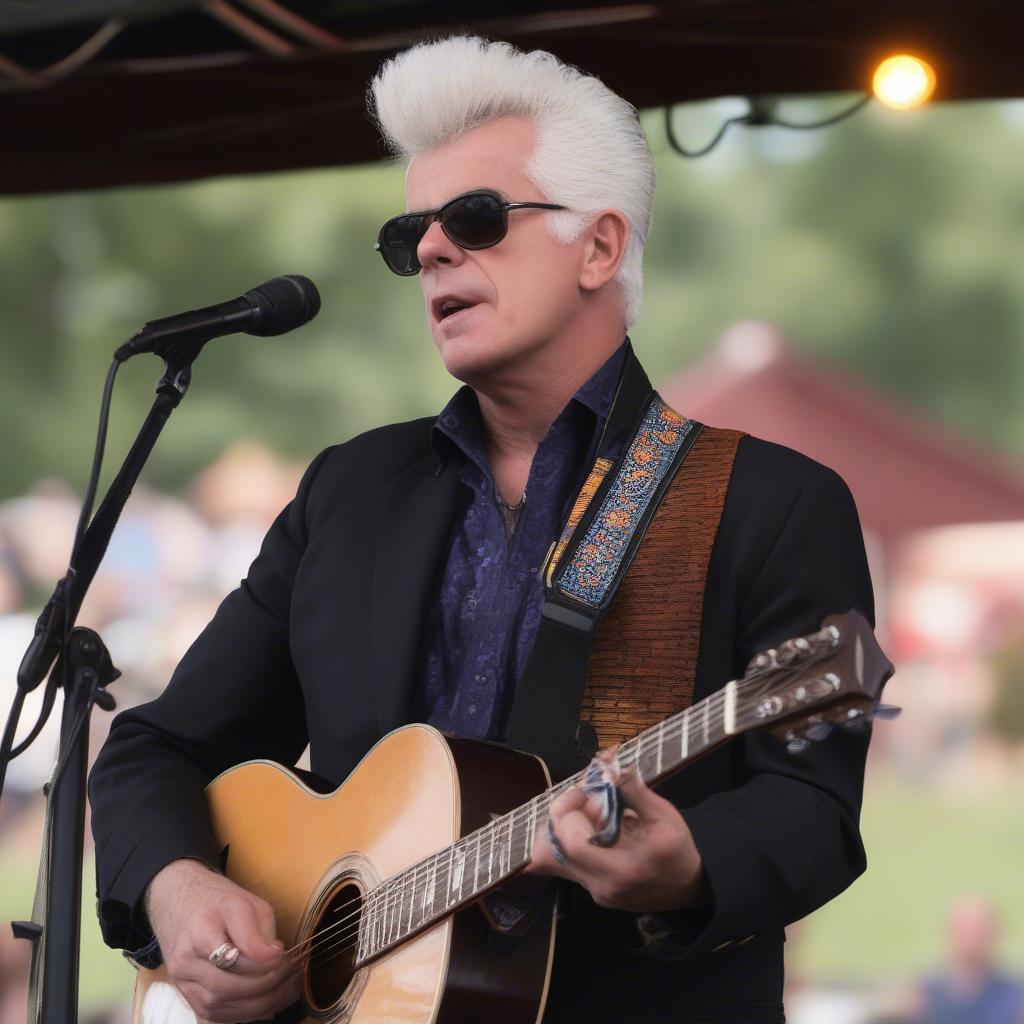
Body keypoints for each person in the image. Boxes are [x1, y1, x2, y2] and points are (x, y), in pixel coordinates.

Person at [88, 35, 876, 1024]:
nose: (428, 250)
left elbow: (813, 814)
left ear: (600, 244)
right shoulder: (350, 490)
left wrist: (686, 864)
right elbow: (154, 749)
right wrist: (175, 884)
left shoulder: (767, 502)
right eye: (409, 232)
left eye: (475, 218)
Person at [914, 896, 1024, 1024]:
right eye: (964, 928)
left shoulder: (1015, 997)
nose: (972, 938)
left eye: (979, 929)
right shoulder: (922, 997)